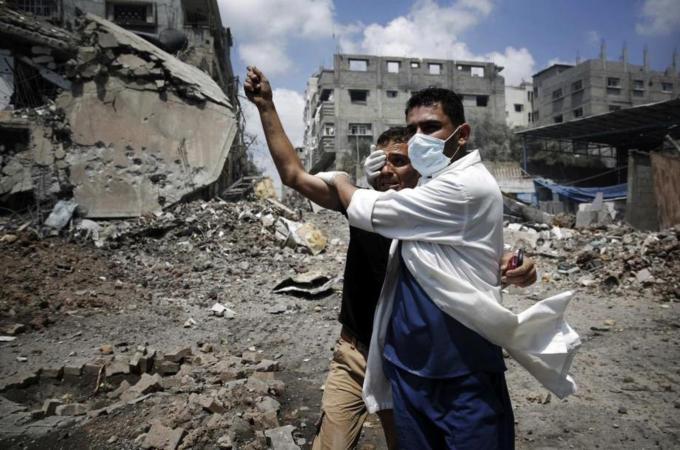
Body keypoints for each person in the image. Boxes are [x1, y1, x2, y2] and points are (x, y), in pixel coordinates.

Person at [244, 67, 538, 450]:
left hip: (412, 362)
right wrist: (266, 106)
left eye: (399, 160)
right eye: (380, 163)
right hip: (358, 350)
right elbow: (293, 174)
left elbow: (474, 247)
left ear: (422, 167)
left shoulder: (434, 205)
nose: (387, 170)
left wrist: (512, 260)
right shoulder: (366, 204)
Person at [321, 87, 580, 449]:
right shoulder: (431, 184)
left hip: (461, 372)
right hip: (409, 369)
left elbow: (376, 209)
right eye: (412, 130)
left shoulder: (463, 185)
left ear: (461, 134)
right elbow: (463, 247)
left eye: (431, 127)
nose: (418, 139)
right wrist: (376, 180)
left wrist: (342, 180)